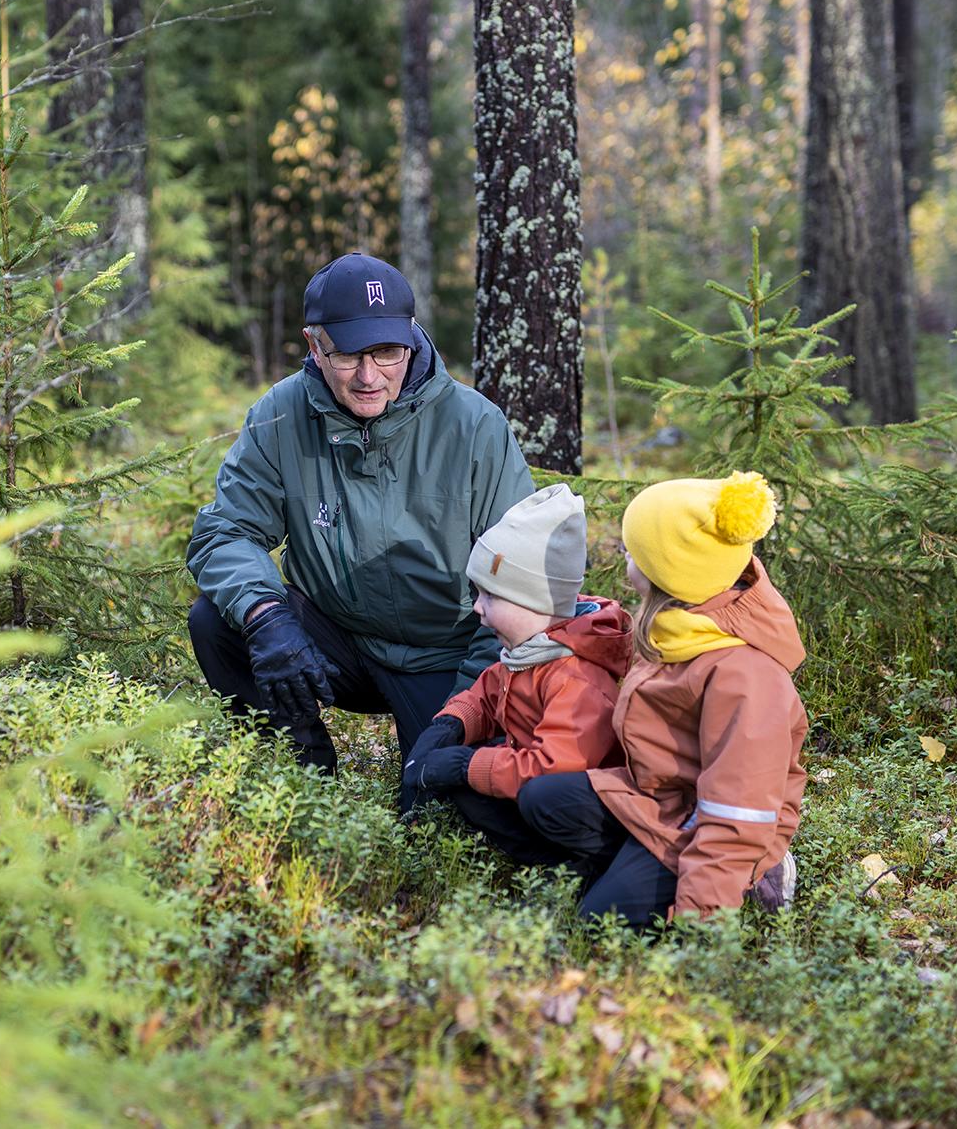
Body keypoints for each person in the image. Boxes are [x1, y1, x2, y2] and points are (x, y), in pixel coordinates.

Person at [185, 251, 534, 773]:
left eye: (388, 352)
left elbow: (520, 581)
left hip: (446, 657)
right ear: (315, 344)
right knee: (217, 621)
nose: (369, 376)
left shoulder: (475, 427)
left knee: (439, 802)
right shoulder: (282, 415)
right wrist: (268, 618)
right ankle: (305, 776)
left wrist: (463, 710)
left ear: (412, 338)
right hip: (338, 641)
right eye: (348, 355)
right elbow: (226, 531)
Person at [510, 471, 807, 928]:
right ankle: (632, 867)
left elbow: (737, 812)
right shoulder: (679, 625)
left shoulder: (745, 676)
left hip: (715, 825)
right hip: (666, 800)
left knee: (599, 921)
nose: (624, 557)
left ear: (669, 571)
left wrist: (702, 921)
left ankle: (760, 875)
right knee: (541, 800)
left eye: (633, 552)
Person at [395, 484, 631, 863]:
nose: (478, 608)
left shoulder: (577, 679)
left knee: (476, 773)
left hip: (585, 810)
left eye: (490, 596)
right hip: (532, 777)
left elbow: (553, 768)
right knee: (472, 772)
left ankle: (563, 868)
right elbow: (487, 692)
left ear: (533, 601)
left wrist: (464, 766)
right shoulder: (531, 650)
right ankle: (532, 863)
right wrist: (451, 725)